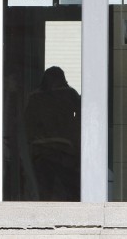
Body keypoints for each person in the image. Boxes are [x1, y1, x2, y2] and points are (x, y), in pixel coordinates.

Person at [24, 66, 81, 201]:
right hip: (65, 149)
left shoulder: (34, 96)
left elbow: (27, 124)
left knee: (44, 191)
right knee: (70, 189)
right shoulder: (70, 94)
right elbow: (82, 118)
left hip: (40, 150)